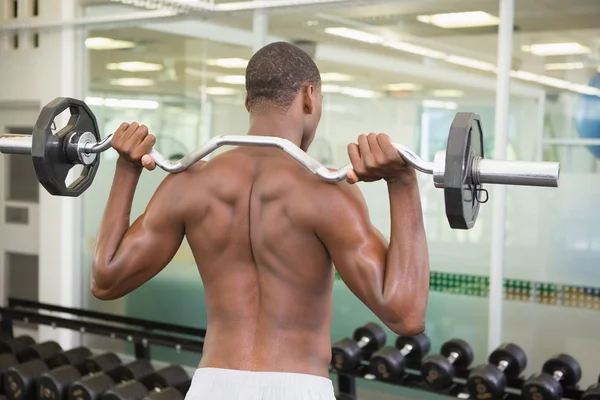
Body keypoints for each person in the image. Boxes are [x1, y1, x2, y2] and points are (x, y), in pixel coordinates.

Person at [91, 41, 429, 400]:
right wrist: (403, 183)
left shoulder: (188, 183)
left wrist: (126, 168)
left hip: (211, 387)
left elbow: (106, 279)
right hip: (296, 387)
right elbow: (406, 314)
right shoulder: (326, 193)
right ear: (310, 98)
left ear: (248, 103)